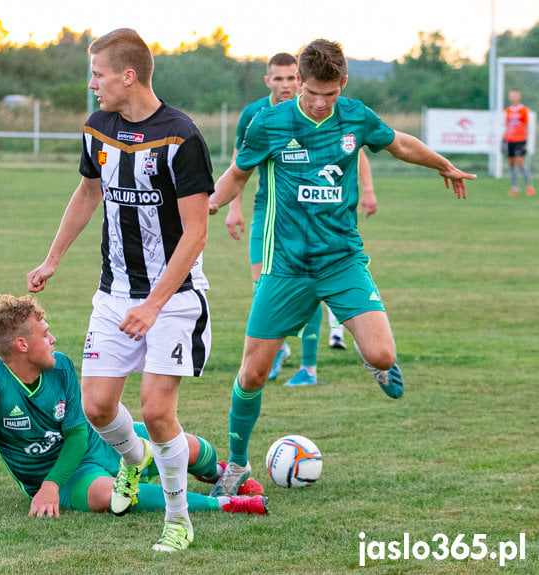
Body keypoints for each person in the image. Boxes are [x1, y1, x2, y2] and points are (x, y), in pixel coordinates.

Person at [207, 39, 476, 497]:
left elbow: (399, 144)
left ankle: (372, 363)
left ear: (342, 85)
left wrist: (442, 164)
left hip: (343, 260)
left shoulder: (355, 115)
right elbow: (237, 174)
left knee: (383, 356)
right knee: (252, 373)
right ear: (298, 83)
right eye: (310, 92)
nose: (318, 102)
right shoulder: (268, 123)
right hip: (285, 266)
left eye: (329, 94)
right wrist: (211, 204)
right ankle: (236, 463)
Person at [26, 28, 219, 551]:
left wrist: (154, 305)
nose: (92, 84)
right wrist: (53, 258)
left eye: (98, 74)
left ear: (127, 76)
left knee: (157, 411)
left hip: (174, 299)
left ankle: (178, 520)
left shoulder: (182, 137)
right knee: (98, 408)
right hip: (113, 294)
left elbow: (197, 233)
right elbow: (89, 191)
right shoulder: (98, 128)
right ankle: (134, 463)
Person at [0, 295, 267, 520]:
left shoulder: (60, 366)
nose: (53, 340)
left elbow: (77, 433)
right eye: (45, 335)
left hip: (96, 443)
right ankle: (223, 504)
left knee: (184, 445)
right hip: (63, 476)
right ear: (22, 345)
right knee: (105, 496)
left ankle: (221, 474)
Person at [223, 52, 379, 388]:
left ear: (299, 79)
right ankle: (274, 347)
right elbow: (240, 165)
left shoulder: (323, 111)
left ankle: (308, 366)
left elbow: (354, 149)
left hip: (315, 216)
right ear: (268, 81)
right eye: (277, 79)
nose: (285, 84)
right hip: (269, 212)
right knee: (264, 288)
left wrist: (367, 188)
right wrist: (234, 207)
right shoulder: (257, 115)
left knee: (309, 284)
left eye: (290, 78)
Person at [504, 89, 534, 196]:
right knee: (511, 163)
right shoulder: (507, 110)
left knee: (520, 162)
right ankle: (515, 187)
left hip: (520, 140)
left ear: (519, 97)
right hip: (509, 140)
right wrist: (504, 139)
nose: (513, 97)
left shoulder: (523, 110)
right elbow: (506, 126)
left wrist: (525, 141)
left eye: (515, 95)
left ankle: (529, 186)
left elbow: (526, 125)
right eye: (511, 95)